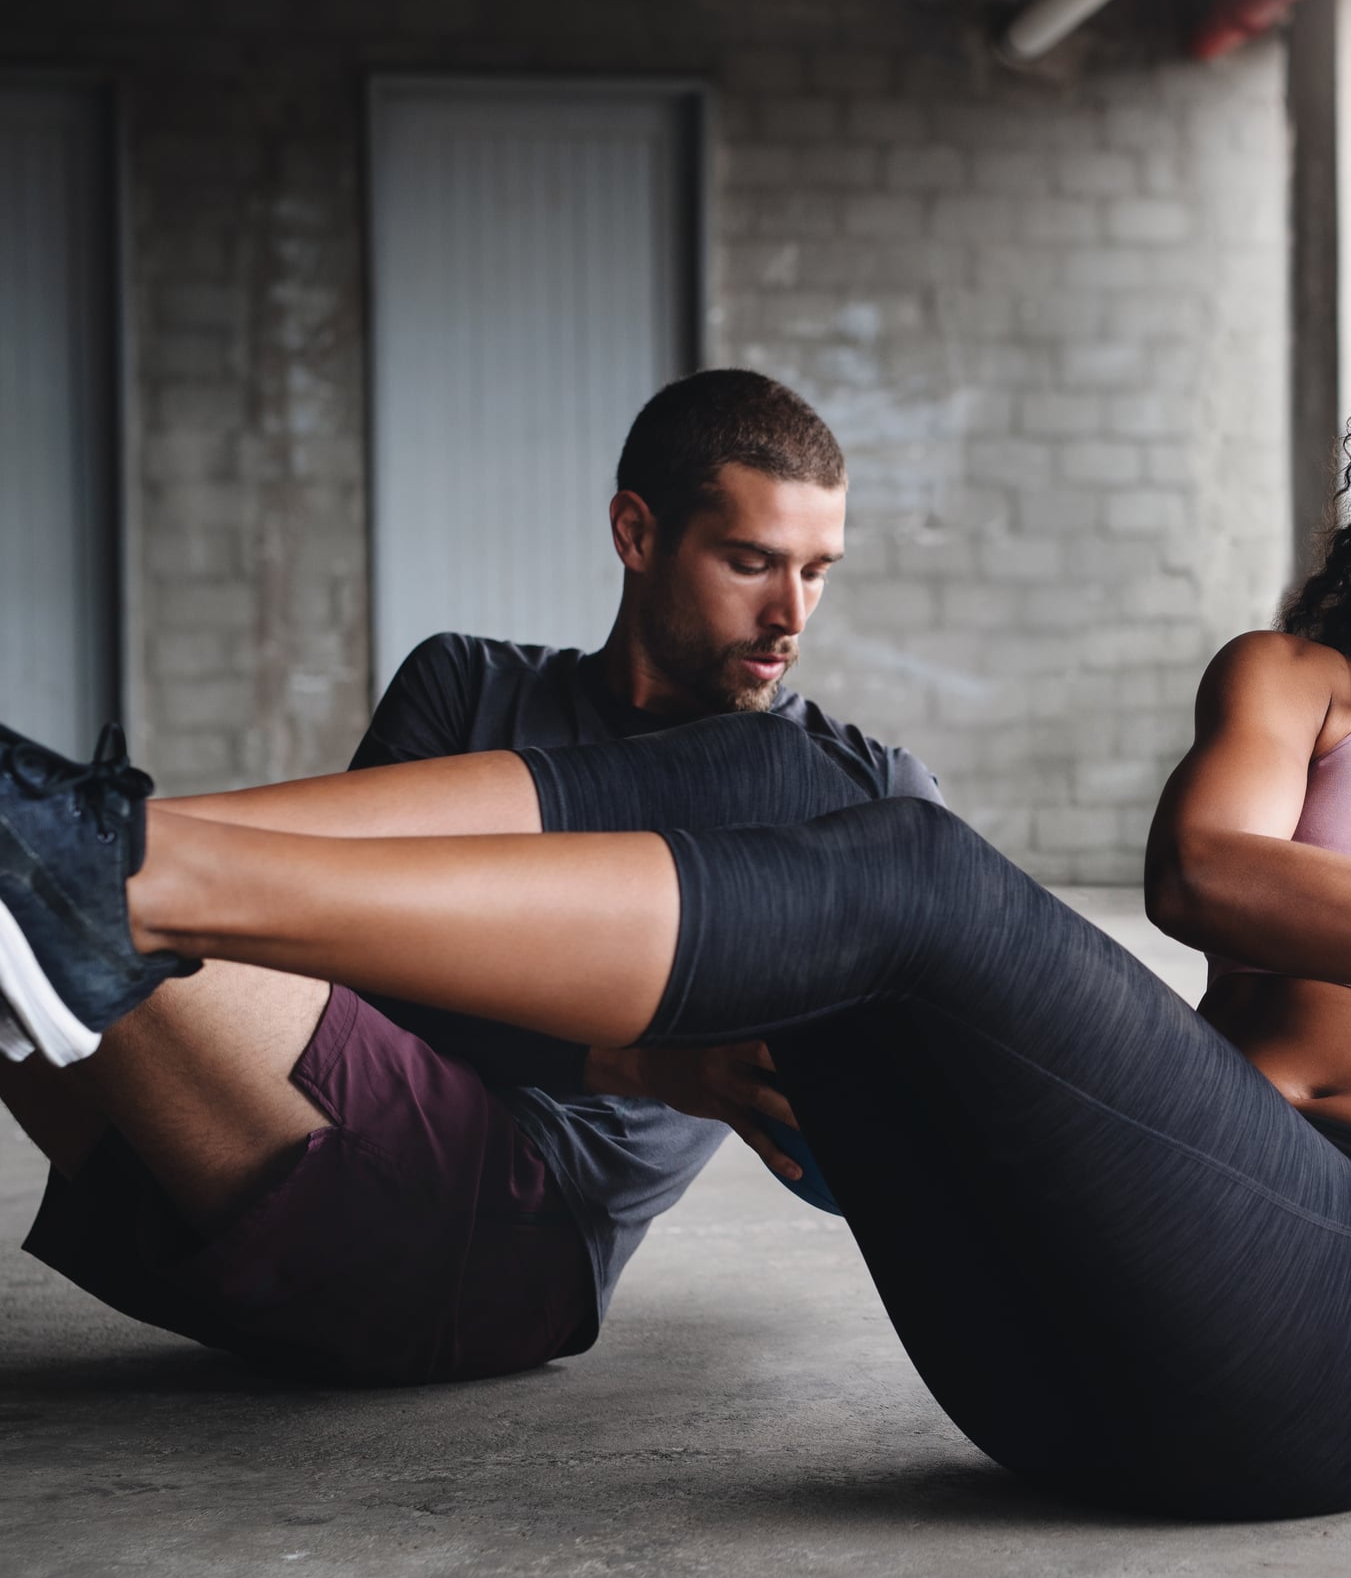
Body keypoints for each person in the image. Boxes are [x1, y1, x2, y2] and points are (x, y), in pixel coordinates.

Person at [1, 262, 1351, 1518]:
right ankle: (120, 856)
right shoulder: (1303, 691)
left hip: (1344, 1352)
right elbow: (1204, 874)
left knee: (894, 870)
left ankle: (130, 878)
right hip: (1052, 1366)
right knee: (775, 766)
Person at [1, 369, 937, 1386]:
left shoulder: (850, 787)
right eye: (751, 561)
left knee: (70, 881)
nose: (789, 614)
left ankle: (66, 834)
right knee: (74, 890)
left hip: (509, 1238)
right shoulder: (464, 685)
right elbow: (337, 967)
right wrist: (630, 1057)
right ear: (635, 531)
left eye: (818, 570)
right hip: (218, 1175)